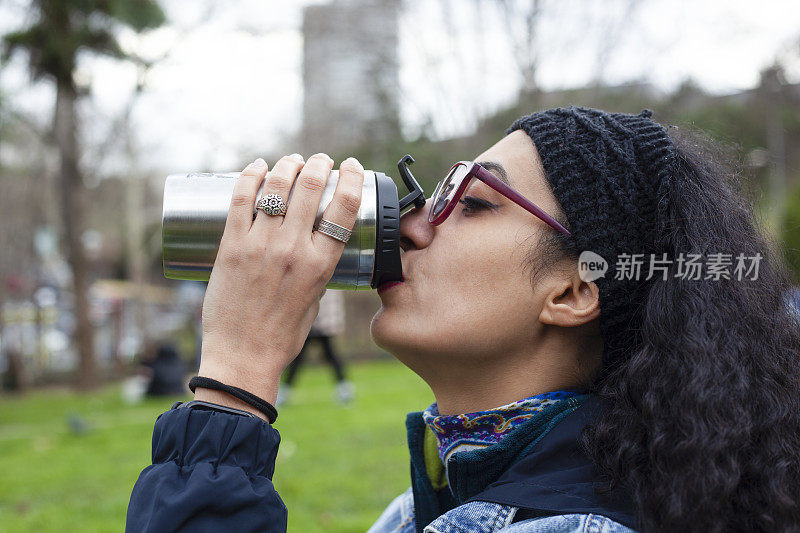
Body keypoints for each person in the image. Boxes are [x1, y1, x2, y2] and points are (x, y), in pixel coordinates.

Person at [126, 108, 800, 532]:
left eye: (471, 203)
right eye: (432, 193)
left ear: (574, 289)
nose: (412, 224)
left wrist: (236, 378)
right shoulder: (425, 509)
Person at [278, 289, 354, 406]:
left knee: (330, 356)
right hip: (311, 324)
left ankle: (344, 390)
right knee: (298, 358)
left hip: (322, 325)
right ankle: (283, 393)